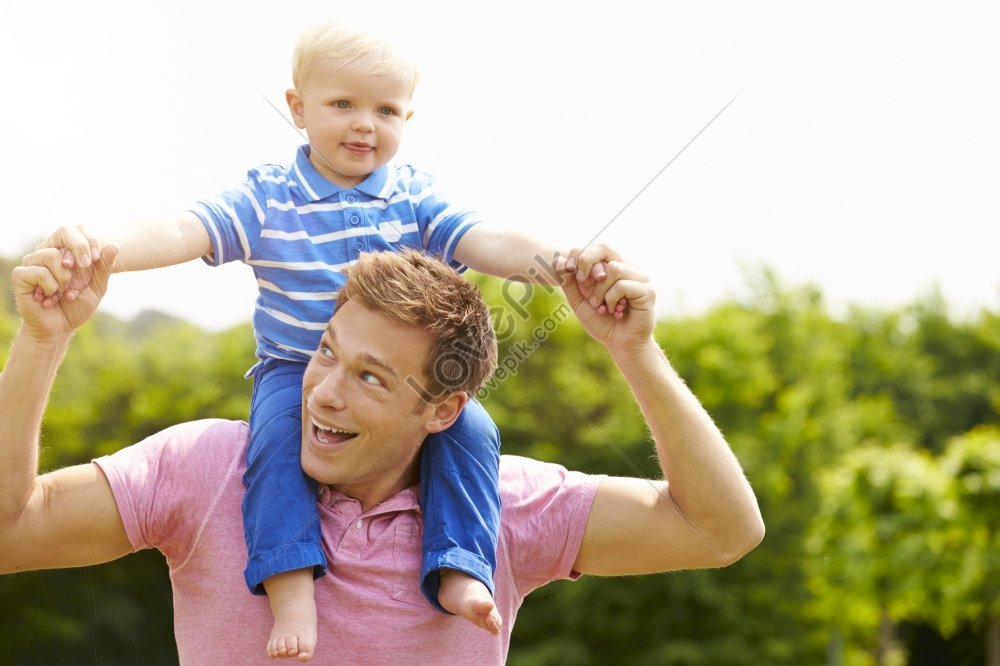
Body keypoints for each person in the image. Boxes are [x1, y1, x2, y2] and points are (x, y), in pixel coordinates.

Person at [35, 18, 625, 661]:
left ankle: (458, 564)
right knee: (276, 448)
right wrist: (107, 251)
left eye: (386, 109)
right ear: (298, 109)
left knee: (473, 431)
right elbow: (185, 230)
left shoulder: (416, 197)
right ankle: (291, 588)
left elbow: (488, 242)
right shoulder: (269, 198)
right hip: (296, 369)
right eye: (342, 104)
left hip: (396, 382)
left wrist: (560, 261)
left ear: (407, 117)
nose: (364, 123)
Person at [1, 245, 763, 664]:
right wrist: (42, 342)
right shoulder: (207, 469)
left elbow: (721, 529)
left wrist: (636, 351)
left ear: (443, 408)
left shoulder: (503, 507)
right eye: (326, 354)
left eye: (369, 377)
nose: (324, 393)